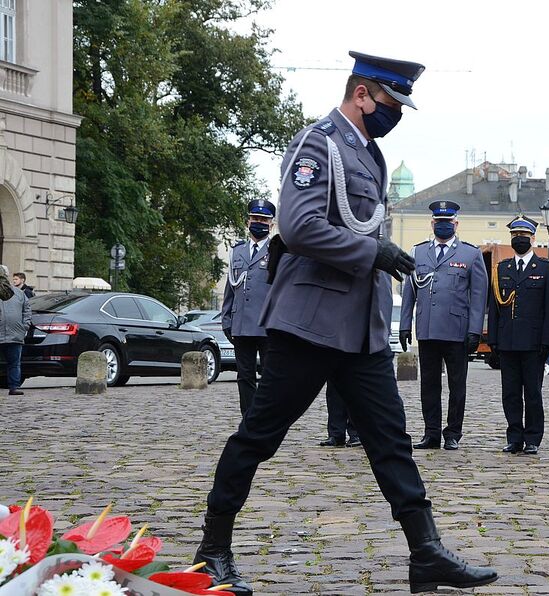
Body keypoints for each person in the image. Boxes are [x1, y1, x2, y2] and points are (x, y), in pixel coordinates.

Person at [193, 52, 498, 595]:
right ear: (362, 94)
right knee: (260, 436)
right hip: (310, 322)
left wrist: (375, 265)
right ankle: (212, 550)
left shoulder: (369, 154)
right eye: (389, 102)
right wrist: (372, 253)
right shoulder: (318, 144)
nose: (394, 114)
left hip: (361, 331)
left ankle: (425, 552)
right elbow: (301, 226)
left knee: (390, 441)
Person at [399, 200, 488, 451]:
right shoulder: (418, 252)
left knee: (456, 385)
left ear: (456, 224)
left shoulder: (470, 254)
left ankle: (453, 433)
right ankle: (431, 433)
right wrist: (405, 324)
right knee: (429, 385)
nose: (443, 226)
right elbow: (410, 292)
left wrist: (474, 330)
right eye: (439, 222)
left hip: (456, 330)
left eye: (448, 223)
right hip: (427, 329)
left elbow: (479, 297)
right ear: (432, 223)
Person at [487, 215, 549, 455]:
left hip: (534, 342)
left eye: (523, 236)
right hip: (508, 340)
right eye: (515, 236)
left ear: (532, 238)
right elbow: (495, 307)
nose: (519, 239)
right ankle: (514, 436)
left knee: (533, 393)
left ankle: (533, 438)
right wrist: (493, 338)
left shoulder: (547, 269)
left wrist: (548, 340)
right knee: (510, 393)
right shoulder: (503, 268)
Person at [222, 199, 277, 415]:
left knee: (269, 376)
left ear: (271, 224)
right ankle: (248, 418)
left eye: (264, 220)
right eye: (255, 219)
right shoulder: (237, 251)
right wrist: (226, 319)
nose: (259, 223)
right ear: (248, 221)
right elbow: (230, 288)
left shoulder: (277, 251)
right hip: (241, 324)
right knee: (244, 376)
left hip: (266, 325)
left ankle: (265, 417)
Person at [0, 265, 31, 396]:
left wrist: (25, 326)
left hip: (15, 334)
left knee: (14, 363)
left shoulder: (19, 293)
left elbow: (27, 310)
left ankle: (14, 387)